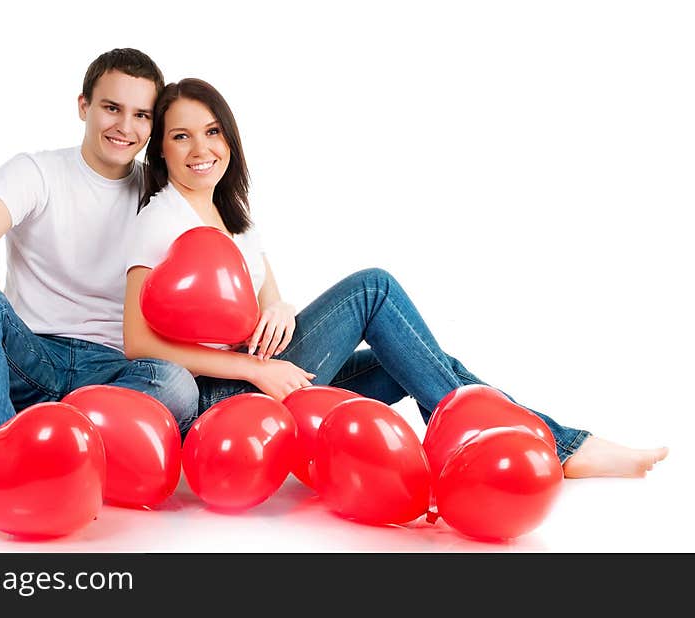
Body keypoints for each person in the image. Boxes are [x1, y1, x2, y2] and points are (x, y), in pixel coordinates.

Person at [123, 78, 668, 478]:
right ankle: (538, 445)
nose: (201, 150)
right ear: (161, 149)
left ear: (229, 137)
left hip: (271, 375)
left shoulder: (232, 215)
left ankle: (535, 444)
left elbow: (266, 295)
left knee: (412, 355)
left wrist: (281, 307)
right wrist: (252, 369)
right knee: (374, 290)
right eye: (181, 137)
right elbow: (137, 341)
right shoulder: (161, 218)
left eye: (212, 131)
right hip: (229, 402)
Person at [0, 49, 199, 473]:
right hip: (30, 356)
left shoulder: (162, 196)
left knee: (177, 385)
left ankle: (51, 440)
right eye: (112, 108)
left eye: (141, 115)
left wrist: (273, 302)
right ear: (83, 106)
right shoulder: (36, 172)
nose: (125, 127)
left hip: (111, 371)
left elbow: (226, 244)